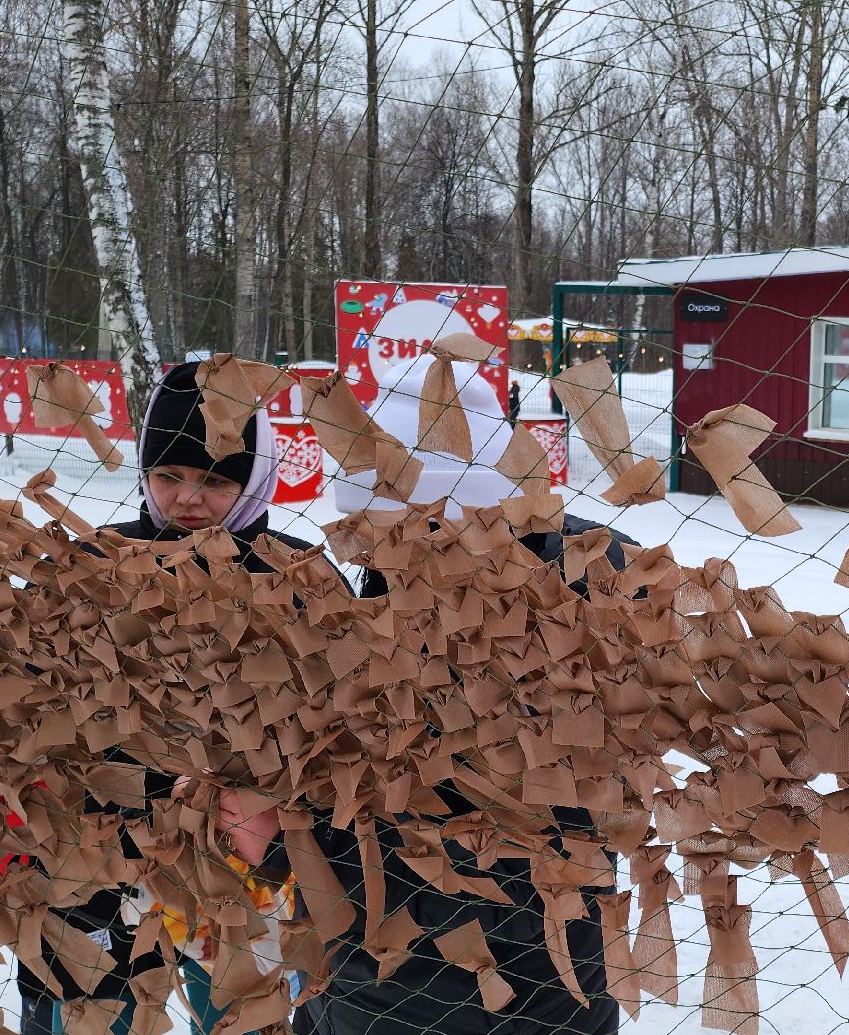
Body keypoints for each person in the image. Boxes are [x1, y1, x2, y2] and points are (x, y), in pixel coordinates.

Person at [213, 354, 627, 1035]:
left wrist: (292, 846)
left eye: (396, 534)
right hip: (361, 998)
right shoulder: (389, 604)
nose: (377, 556)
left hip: (509, 1012)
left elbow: (525, 877)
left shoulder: (560, 629)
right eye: (370, 541)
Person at [14, 360, 303, 1035]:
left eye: (215, 481)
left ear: (254, 479)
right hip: (99, 852)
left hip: (241, 863)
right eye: (167, 476)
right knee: (86, 1016)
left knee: (246, 1018)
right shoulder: (90, 564)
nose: (187, 500)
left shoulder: (293, 575)